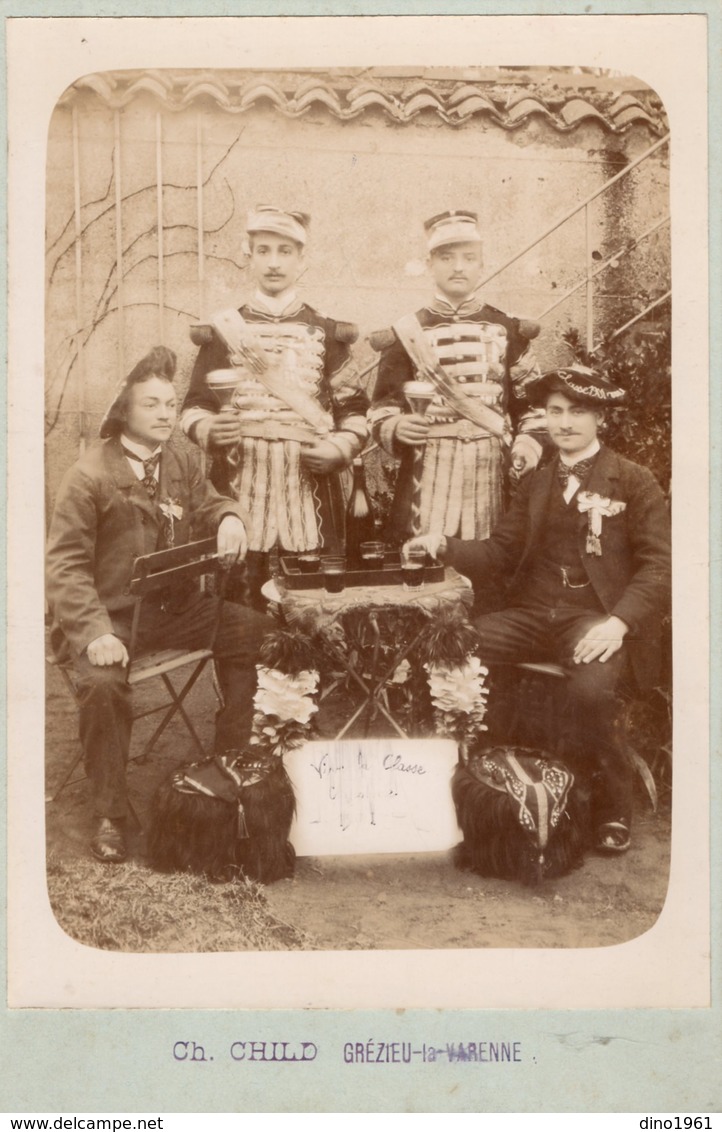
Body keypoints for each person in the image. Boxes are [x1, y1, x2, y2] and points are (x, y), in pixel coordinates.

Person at [405, 365, 671, 853]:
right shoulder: (538, 482)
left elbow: (660, 566)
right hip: (533, 615)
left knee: (592, 693)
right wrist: (443, 545)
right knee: (456, 651)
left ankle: (611, 807)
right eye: (555, 412)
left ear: (600, 420)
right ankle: (485, 787)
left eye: (578, 412)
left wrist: (619, 622)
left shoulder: (633, 480)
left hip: (595, 620)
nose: (565, 423)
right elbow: (500, 553)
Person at [46, 346, 272, 864]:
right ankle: (110, 812)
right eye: (151, 404)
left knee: (261, 634)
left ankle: (229, 762)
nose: (166, 414)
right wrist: (96, 632)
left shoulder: (184, 458)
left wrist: (229, 517)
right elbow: (64, 568)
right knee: (103, 686)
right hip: (111, 621)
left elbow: (212, 500)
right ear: (123, 412)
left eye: (171, 403)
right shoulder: (88, 477)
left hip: (176, 611)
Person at [180, 205, 369, 607]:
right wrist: (208, 430)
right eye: (263, 251)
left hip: (311, 490)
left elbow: (354, 412)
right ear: (247, 256)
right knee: (237, 607)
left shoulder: (330, 335)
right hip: (238, 482)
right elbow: (194, 405)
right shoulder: (220, 333)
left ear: (303, 259)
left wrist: (340, 448)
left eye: (285, 252)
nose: (274, 262)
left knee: (314, 609)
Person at [369, 210, 547, 546]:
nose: (458, 267)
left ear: (482, 264)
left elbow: (534, 409)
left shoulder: (509, 330)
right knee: (421, 562)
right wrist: (396, 427)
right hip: (426, 469)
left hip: (491, 467)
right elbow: (381, 406)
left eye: (469, 258)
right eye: (446, 258)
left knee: (492, 558)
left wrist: (526, 446)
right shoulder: (406, 333)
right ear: (429, 263)